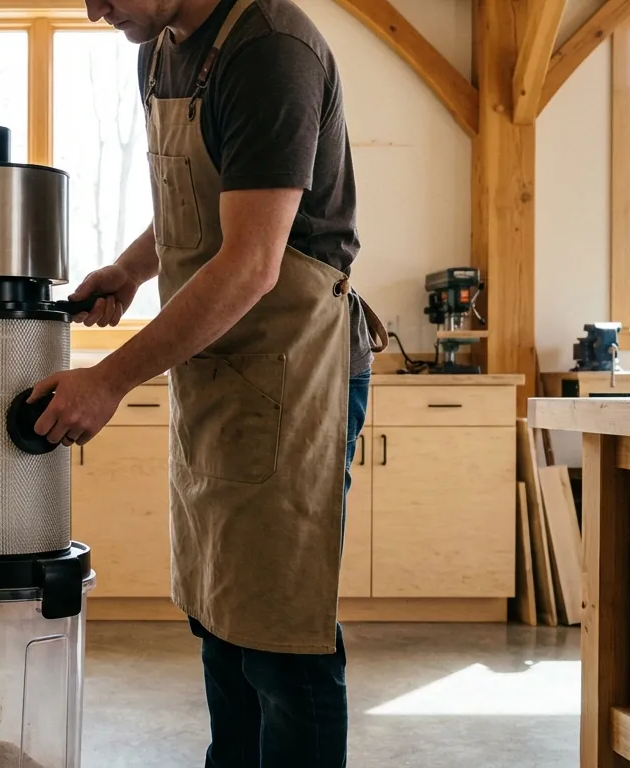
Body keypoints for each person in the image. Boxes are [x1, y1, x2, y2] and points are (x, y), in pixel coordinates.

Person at [29, 0, 386, 765]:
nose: (95, 11)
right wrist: (128, 271)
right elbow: (202, 203)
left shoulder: (270, 51)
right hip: (220, 369)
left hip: (296, 369)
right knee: (221, 620)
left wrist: (110, 379)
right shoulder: (159, 49)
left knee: (282, 634)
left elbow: (253, 261)